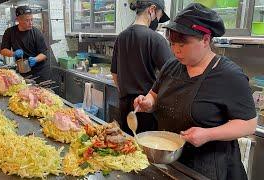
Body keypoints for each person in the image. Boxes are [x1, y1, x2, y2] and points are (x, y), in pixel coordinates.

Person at [134, 3, 257, 180]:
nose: (175, 50)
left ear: (206, 40)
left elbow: (248, 124)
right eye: (172, 44)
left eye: (182, 45)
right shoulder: (172, 66)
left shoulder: (229, 75)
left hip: (207, 169)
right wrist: (147, 103)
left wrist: (208, 134)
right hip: (170, 162)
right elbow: (154, 95)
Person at [110, 0, 174, 135]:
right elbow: (171, 75)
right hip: (146, 106)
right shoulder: (156, 39)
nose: (157, 21)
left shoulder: (121, 37)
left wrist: (125, 96)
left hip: (125, 107)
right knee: (145, 151)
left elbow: (115, 74)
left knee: (129, 145)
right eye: (158, 16)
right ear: (151, 10)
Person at [0, 5, 50, 83]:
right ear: (18, 20)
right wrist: (13, 53)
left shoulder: (36, 32)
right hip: (23, 71)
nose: (31, 23)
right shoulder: (10, 32)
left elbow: (44, 54)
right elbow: (3, 50)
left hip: (39, 71)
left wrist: (35, 59)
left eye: (31, 20)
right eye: (27, 20)